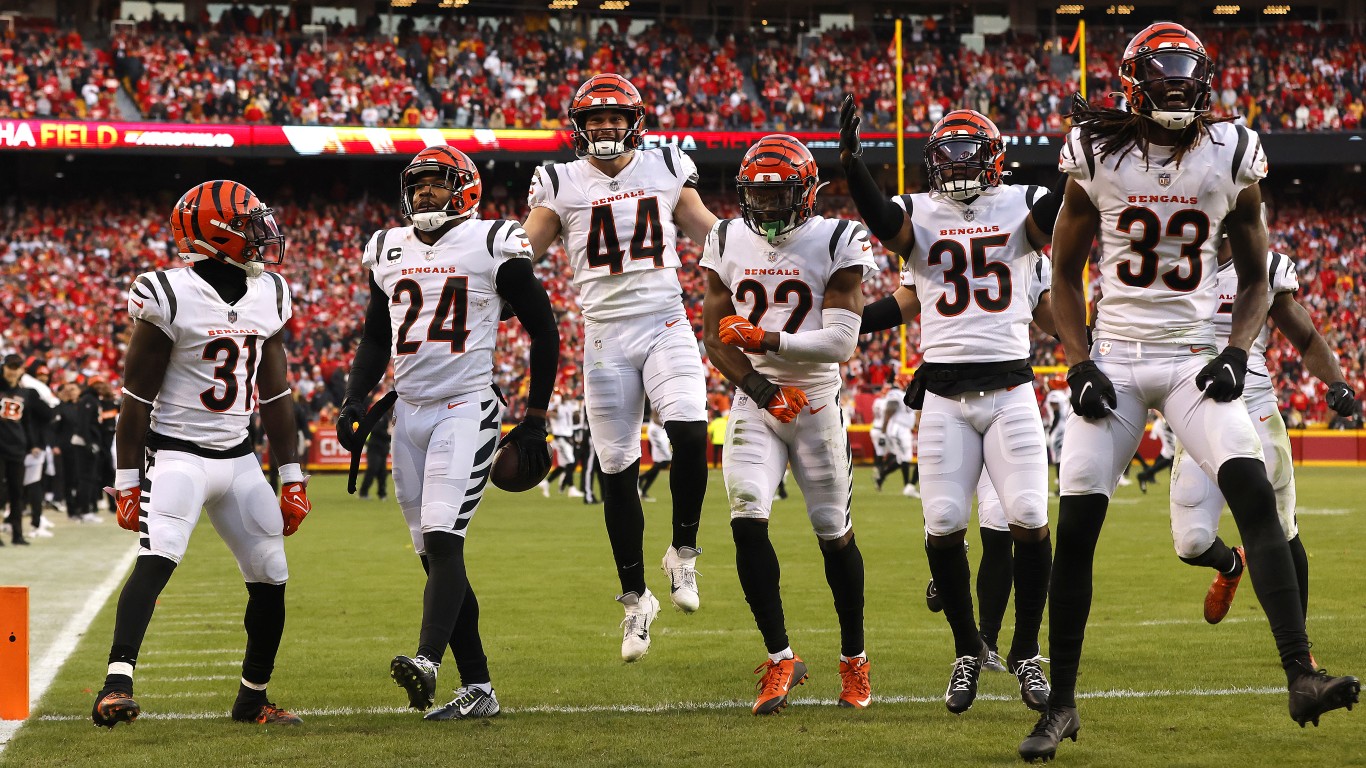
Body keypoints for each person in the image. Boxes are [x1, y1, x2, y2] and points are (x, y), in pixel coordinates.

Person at [1024, 23, 1358, 760]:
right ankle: (1063, 705)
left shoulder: (1230, 151)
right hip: (1115, 357)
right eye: (1163, 70)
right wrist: (1077, 361)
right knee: (1076, 528)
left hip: (1189, 358)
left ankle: (1301, 675)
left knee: (1254, 493)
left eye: (1188, 69)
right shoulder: (1098, 152)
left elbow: (1257, 278)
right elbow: (1064, 274)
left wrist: (1237, 352)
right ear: (1134, 82)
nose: (1177, 83)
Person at [842, 97, 1063, 716]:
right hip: (943, 393)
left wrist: (1082, 160)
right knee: (941, 525)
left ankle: (1026, 650)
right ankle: (968, 649)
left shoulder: (1020, 202)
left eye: (971, 156)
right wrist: (855, 166)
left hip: (1010, 389)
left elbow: (1056, 214)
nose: (960, 167)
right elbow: (886, 225)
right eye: (950, 157)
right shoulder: (919, 211)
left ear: (994, 160)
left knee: (1028, 516)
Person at [336, 146, 559, 720]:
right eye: (418, 185)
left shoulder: (492, 241)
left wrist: (536, 418)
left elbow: (544, 328)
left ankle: (428, 661)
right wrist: (354, 398)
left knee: (443, 538)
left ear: (464, 189)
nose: (425, 193)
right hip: (408, 414)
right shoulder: (388, 248)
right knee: (434, 555)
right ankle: (479, 686)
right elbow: (375, 336)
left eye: (437, 183)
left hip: (466, 407)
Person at [91, 180, 310, 728]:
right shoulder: (168, 293)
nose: (262, 233)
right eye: (249, 224)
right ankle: (115, 685)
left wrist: (291, 475)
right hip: (177, 455)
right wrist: (127, 481)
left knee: (271, 570)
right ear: (217, 234)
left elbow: (276, 394)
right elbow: (136, 400)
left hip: (238, 458)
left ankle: (252, 698)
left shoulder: (270, 292)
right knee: (158, 554)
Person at [521, 73, 718, 660]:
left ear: (634, 122)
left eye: (615, 117)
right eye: (595, 118)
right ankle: (636, 602)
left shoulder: (666, 166)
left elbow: (709, 232)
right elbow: (524, 250)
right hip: (604, 335)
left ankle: (683, 553)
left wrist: (760, 253)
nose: (605, 126)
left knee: (691, 431)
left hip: (665, 320)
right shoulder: (559, 181)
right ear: (578, 126)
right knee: (616, 470)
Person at [701, 134, 876, 714]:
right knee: (746, 516)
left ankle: (854, 659)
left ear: (805, 193)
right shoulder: (725, 238)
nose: (768, 205)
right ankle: (781, 658)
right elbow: (714, 339)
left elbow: (842, 342)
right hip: (757, 398)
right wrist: (759, 387)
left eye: (779, 195)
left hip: (817, 401)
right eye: (758, 194)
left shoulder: (836, 238)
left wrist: (766, 338)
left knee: (832, 532)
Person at [1168, 236, 1358, 629]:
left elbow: (1306, 337)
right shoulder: (1171, 265)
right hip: (1197, 409)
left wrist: (1336, 381)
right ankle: (1232, 564)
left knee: (1283, 526)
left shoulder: (1264, 268)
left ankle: (1298, 645)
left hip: (1254, 403)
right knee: (1192, 542)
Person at [0, 354, 47, 546]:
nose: (13, 371)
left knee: (17, 492)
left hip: (17, 448)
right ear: (4, 368)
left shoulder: (25, 393)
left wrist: (32, 444)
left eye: (16, 367)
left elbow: (27, 422)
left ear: (21, 370)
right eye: (10, 367)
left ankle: (17, 535)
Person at [544, 391, 578, 496]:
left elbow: (576, 413)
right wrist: (555, 407)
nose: (568, 397)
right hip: (561, 438)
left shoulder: (568, 405)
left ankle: (548, 482)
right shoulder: (557, 407)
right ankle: (571, 488)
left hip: (568, 437)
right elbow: (551, 414)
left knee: (564, 465)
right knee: (570, 462)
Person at [358, 398, 392, 501]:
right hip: (375, 447)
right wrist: (390, 436)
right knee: (373, 469)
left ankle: (381, 493)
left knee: (382, 472)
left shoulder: (385, 415)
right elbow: (376, 430)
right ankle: (364, 492)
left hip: (382, 447)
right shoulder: (379, 416)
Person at [1135, 412, 1175, 492]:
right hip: (1165, 425)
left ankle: (1145, 475)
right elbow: (1157, 409)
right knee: (1173, 455)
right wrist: (1164, 420)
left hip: (1168, 424)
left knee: (1169, 457)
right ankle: (1174, 486)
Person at [638, 409, 670, 502]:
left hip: (661, 430)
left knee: (658, 464)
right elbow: (655, 416)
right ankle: (641, 478)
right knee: (667, 459)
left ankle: (643, 491)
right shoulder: (658, 402)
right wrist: (666, 424)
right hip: (656, 429)